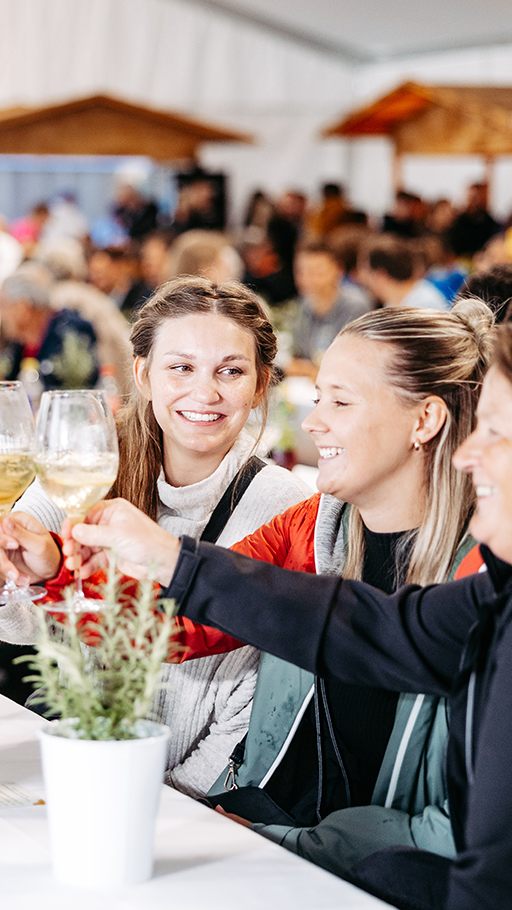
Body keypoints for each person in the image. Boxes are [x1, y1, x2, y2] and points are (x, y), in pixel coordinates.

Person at [61, 320, 512, 910]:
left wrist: (290, 846)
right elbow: (358, 626)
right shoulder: (321, 528)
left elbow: (463, 850)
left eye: (497, 432)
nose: (313, 421)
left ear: (424, 421)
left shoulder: (476, 569)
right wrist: (68, 572)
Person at [0, 277, 308, 798]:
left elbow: (253, 708)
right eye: (181, 367)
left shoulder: (282, 507)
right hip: (73, 763)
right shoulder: (89, 465)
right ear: (142, 374)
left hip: (190, 801)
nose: (205, 393)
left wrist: (168, 801)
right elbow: (23, 624)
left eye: (230, 371)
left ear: (260, 385)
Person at [287, 241, 372, 379]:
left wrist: (308, 369)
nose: (307, 279)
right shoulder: (304, 304)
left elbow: (351, 367)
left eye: (317, 272)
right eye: (301, 271)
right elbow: (297, 358)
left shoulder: (355, 305)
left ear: (338, 270)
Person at [359, 234, 448, 310]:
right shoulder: (393, 302)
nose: (362, 277)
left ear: (380, 274)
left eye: (365, 270)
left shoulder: (423, 305)